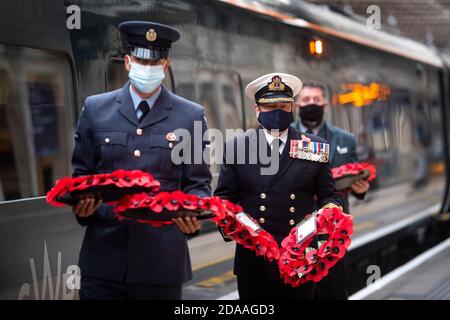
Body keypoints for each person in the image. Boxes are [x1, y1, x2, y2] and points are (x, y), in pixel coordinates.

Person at [71, 21, 212, 300]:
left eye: (155, 61)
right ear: (127, 61)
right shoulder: (95, 108)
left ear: (166, 65)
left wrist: (193, 212)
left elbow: (199, 184)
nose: (147, 67)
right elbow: (81, 175)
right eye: (139, 59)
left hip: (161, 264)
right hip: (103, 263)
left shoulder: (190, 116)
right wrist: (81, 206)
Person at [214, 73, 343, 300]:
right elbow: (225, 198)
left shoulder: (314, 147)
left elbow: (329, 194)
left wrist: (332, 208)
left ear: (292, 108)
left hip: (300, 259)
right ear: (257, 110)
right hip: (254, 262)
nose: (277, 112)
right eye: (269, 107)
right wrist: (229, 223)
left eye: (283, 106)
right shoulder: (236, 148)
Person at [293, 80, 370, 300]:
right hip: (297, 232)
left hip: (334, 231)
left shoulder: (346, 139)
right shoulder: (285, 140)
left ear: (325, 103)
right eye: (306, 99)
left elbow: (355, 179)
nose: (311, 103)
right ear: (297, 103)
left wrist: (360, 189)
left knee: (334, 292)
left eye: (316, 99)